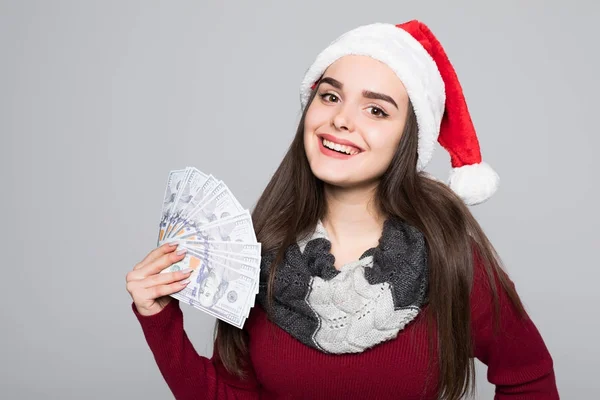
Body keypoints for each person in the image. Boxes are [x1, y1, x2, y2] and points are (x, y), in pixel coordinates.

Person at [126, 20, 559, 399]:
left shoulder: (450, 257)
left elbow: (529, 379)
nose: (342, 120)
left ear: (408, 139)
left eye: (375, 109)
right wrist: (158, 318)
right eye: (330, 97)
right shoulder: (258, 256)